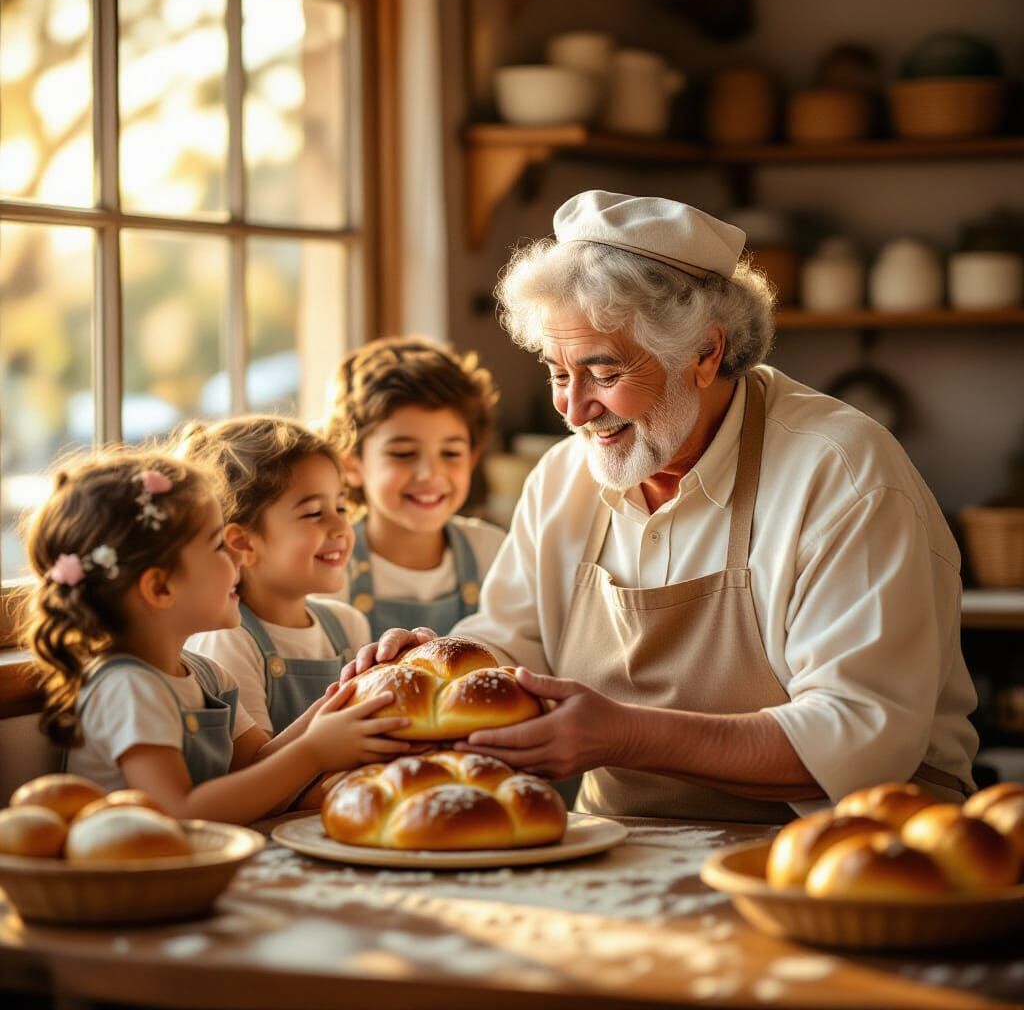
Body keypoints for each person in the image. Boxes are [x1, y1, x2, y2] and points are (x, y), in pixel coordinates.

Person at [346, 190, 979, 823]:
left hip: (851, 856)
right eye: (558, 372)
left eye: (603, 372)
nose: (572, 409)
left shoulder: (839, 472)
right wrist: (443, 667)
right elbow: (517, 644)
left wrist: (626, 734)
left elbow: (863, 741)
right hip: (623, 853)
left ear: (704, 353)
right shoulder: (565, 478)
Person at [20, 449, 414, 823]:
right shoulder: (129, 687)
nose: (240, 558)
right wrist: (314, 752)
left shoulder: (207, 676)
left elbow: (255, 771)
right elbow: (179, 813)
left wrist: (345, 698)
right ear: (160, 588)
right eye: (218, 547)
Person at [180, 416, 433, 737]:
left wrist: (410, 661)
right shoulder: (230, 640)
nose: (341, 527)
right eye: (314, 513)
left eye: (340, 507)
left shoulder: (347, 624)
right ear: (244, 542)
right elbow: (260, 772)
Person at [323, 337, 505, 637]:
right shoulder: (331, 565)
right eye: (403, 454)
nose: (429, 474)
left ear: (472, 459)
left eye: (451, 453)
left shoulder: (492, 552)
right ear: (352, 465)